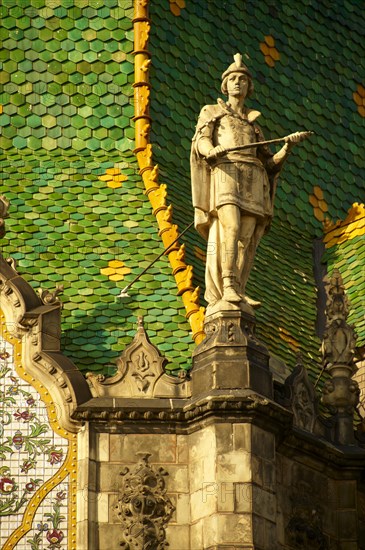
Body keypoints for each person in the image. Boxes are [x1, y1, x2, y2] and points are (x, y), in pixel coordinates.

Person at [191, 53, 309, 313]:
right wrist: (211, 150)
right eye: (233, 79)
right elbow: (201, 140)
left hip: (253, 178)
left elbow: (270, 164)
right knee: (230, 227)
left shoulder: (253, 125)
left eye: (242, 80)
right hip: (227, 171)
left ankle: (239, 289)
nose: (237, 83)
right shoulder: (212, 112)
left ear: (248, 87)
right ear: (225, 85)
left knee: (246, 236)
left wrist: (288, 146)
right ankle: (227, 285)